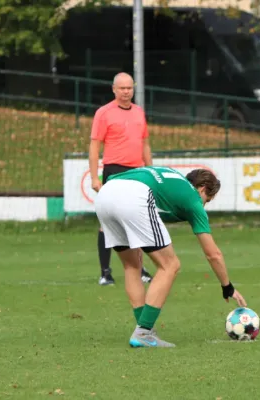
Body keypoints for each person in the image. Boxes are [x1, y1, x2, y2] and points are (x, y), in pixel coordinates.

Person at [94, 166, 247, 348]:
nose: (204, 204)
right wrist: (227, 287)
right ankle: (143, 332)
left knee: (132, 265)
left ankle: (144, 330)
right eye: (207, 199)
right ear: (202, 189)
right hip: (133, 196)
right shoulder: (193, 199)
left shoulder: (172, 179)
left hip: (105, 194)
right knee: (170, 265)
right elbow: (213, 254)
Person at [89, 72, 153, 285]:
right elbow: (95, 145)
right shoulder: (104, 113)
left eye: (129, 88)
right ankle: (105, 272)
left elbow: (144, 143)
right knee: (108, 222)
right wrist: (94, 176)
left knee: (138, 220)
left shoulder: (139, 112)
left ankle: (140, 268)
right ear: (114, 89)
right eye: (122, 88)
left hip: (137, 171)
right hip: (114, 171)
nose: (126, 92)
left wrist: (150, 171)